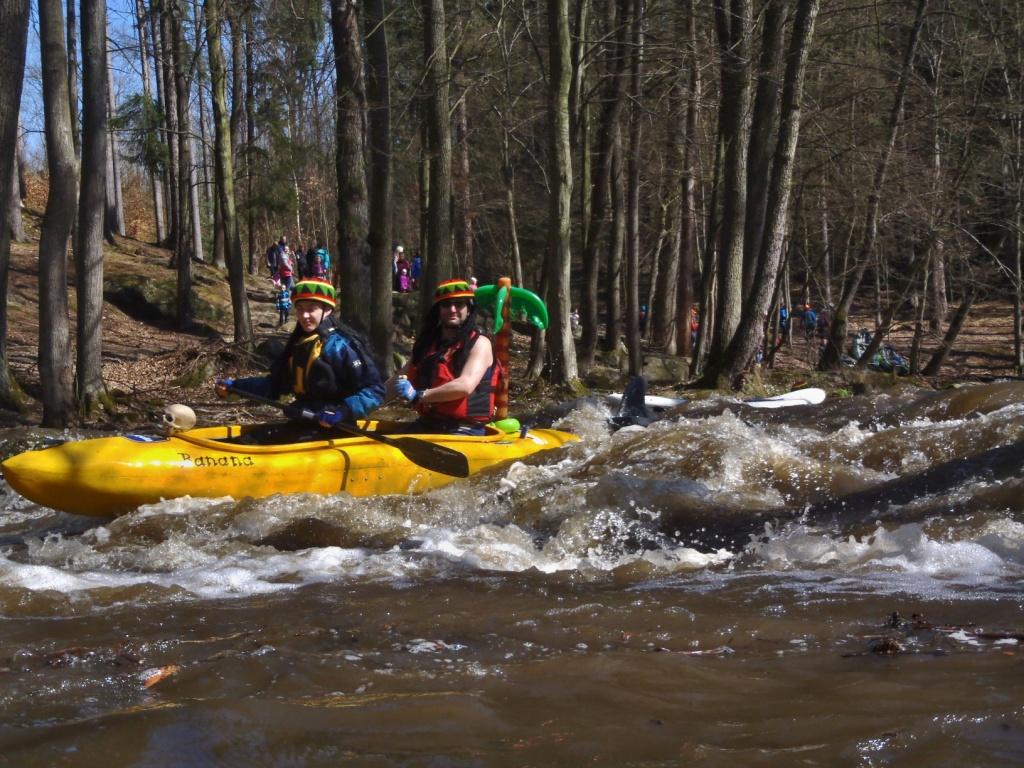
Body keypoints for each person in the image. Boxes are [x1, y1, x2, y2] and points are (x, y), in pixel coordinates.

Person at [215, 279, 385, 436]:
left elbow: (375, 391)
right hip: (305, 423)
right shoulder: (299, 344)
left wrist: (343, 411)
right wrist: (235, 387)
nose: (304, 316)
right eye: (300, 309)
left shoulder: (342, 346)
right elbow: (274, 385)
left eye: (311, 309)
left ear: (327, 310)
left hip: (338, 429)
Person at [385, 279, 500, 435]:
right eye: (446, 305)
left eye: (459, 304)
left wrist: (419, 396)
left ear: (468, 309)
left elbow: (464, 385)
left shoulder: (480, 344)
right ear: (438, 310)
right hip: (429, 423)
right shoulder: (428, 345)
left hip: (466, 429)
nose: (452, 309)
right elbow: (398, 380)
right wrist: (364, 402)